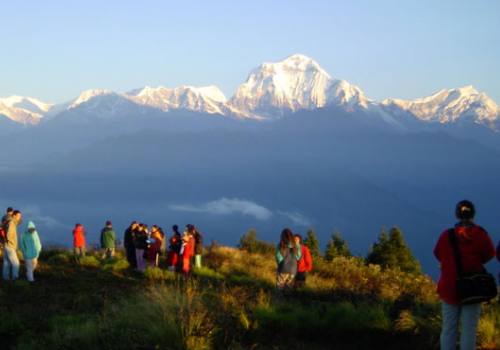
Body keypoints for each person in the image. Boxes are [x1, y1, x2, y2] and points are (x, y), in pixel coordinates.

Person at [434, 200, 495, 350]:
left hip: (449, 287)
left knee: (449, 329)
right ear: (473, 214)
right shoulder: (481, 235)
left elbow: (438, 254)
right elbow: (490, 254)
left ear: (457, 214)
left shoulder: (445, 236)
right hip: (472, 287)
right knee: (469, 330)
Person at [3, 210, 22, 280]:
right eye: (19, 216)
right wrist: (12, 244)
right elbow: (9, 235)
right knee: (16, 264)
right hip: (10, 246)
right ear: (14, 216)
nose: (20, 217)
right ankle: (15, 278)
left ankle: (5, 278)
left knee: (6, 263)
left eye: (20, 216)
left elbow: (19, 222)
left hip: (6, 245)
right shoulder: (11, 223)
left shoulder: (11, 222)